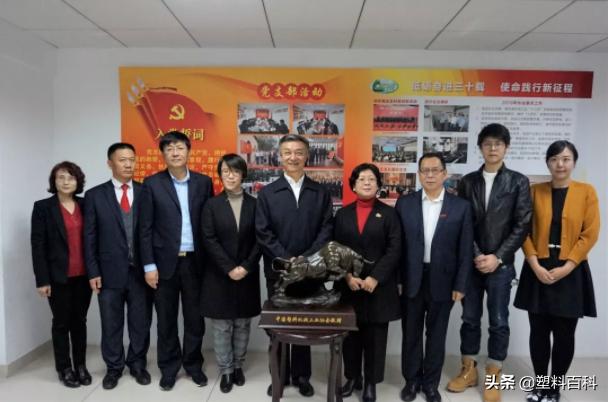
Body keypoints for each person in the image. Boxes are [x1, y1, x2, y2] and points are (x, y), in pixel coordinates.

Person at [447, 123, 532, 402]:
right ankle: (468, 370)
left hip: (501, 266)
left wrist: (498, 257)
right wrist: (476, 255)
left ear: (506, 147)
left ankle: (494, 374)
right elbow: (462, 222)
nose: (493, 148)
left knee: (498, 321)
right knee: (469, 318)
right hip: (472, 264)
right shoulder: (468, 181)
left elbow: (522, 224)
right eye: (487, 144)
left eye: (498, 143)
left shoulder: (518, 182)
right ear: (480, 148)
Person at [514, 141, 599, 402]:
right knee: (538, 332)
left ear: (574, 162)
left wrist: (568, 266)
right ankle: (540, 385)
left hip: (571, 272)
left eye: (565, 159)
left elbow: (590, 233)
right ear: (547, 162)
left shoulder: (586, 192)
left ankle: (554, 388)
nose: (560, 164)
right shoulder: (534, 191)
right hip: (537, 269)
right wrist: (534, 264)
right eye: (554, 159)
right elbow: (522, 230)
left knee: (564, 334)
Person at [255, 134, 333, 397]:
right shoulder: (268, 193)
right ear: (280, 156)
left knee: (303, 324)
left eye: (299, 152)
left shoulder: (320, 192)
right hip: (279, 271)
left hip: (310, 271)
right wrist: (287, 259)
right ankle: (280, 375)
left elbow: (326, 229)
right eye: (287, 152)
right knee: (278, 325)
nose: (293, 157)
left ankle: (302, 377)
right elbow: (263, 232)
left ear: (307, 156)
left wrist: (306, 259)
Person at [139, 131, 214, 391]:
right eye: (169, 148)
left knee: (195, 319)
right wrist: (149, 265)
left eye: (179, 147)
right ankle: (169, 368)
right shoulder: (152, 184)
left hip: (195, 263)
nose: (175, 152)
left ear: (188, 151)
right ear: (163, 154)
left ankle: (193, 365)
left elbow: (209, 224)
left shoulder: (203, 183)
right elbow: (145, 228)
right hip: (163, 265)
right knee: (166, 320)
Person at [395, 153, 473, 402]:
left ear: (444, 174)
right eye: (425, 170)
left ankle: (430, 384)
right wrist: (398, 279)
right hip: (411, 278)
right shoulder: (405, 204)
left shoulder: (460, 207)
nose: (430, 175)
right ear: (419, 174)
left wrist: (461, 284)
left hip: (444, 281)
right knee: (411, 333)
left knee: (436, 335)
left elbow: (465, 249)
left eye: (435, 170)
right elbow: (397, 247)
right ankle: (411, 381)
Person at [83, 143, 153, 389]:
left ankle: (137, 364)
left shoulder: (145, 192)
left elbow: (151, 232)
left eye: (132, 159)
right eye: (122, 160)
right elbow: (89, 237)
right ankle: (113, 368)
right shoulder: (94, 195)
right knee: (111, 323)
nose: (128, 164)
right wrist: (93, 271)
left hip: (140, 272)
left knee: (140, 323)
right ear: (110, 163)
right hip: (108, 272)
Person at [334, 163, 401, 402]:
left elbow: (395, 249)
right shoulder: (342, 215)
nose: (366, 183)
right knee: (350, 336)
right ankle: (353, 378)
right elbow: (336, 249)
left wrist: (375, 277)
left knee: (375, 339)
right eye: (361, 179)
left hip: (378, 288)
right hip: (349, 286)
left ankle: (371, 383)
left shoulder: (390, 214)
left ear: (378, 184)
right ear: (353, 185)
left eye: (371, 179)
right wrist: (348, 276)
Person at [201, 154, 262, 394]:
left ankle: (238, 366)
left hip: (247, 274)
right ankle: (226, 370)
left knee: (242, 324)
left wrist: (245, 267)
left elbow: (260, 239)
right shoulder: (211, 205)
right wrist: (229, 268)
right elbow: (209, 239)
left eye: (235, 171)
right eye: (225, 171)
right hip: (219, 274)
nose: (230, 176)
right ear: (220, 175)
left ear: (242, 174)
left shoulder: (255, 205)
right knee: (222, 326)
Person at [31, 161, 92, 388]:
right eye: (61, 177)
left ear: (78, 181)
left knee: (80, 321)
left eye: (71, 177)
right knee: (61, 323)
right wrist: (42, 280)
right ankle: (64, 368)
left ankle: (81, 365)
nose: (66, 182)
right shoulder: (43, 208)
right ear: (54, 181)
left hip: (84, 275)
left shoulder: (85, 204)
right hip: (58, 277)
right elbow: (38, 246)